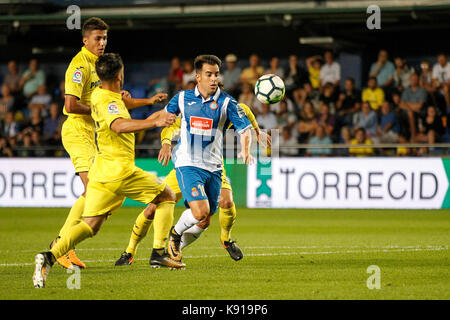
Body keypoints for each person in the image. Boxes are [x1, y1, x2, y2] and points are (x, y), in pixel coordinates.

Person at [32, 53, 180, 288]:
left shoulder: (102, 95)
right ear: (120, 75)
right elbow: (119, 125)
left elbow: (121, 111)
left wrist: (152, 107)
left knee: (91, 225)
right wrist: (154, 123)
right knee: (167, 195)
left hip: (101, 171)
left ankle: (49, 255)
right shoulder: (109, 101)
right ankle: (158, 252)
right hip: (120, 170)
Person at [51, 17, 167, 271]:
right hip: (78, 131)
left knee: (98, 191)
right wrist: (98, 110)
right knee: (92, 188)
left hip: (95, 132)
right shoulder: (79, 66)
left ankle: (64, 243)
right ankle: (61, 244)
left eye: (104, 38)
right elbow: (70, 105)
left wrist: (148, 102)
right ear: (85, 40)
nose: (102, 42)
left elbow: (113, 103)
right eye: (97, 38)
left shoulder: (102, 65)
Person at [115, 101, 269, 265]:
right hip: (186, 167)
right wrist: (166, 143)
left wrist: (257, 132)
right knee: (152, 208)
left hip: (213, 166)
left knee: (222, 205)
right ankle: (129, 252)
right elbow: (169, 126)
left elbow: (246, 110)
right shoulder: (190, 107)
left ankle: (224, 240)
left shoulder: (226, 106)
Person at [163, 55, 254, 264]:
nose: (213, 79)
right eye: (208, 74)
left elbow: (245, 129)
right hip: (188, 163)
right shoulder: (182, 98)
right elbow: (165, 118)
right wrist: (165, 136)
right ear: (197, 77)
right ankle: (174, 235)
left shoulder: (226, 102)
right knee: (199, 211)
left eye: (216, 75)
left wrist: (245, 150)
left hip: (213, 167)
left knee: (205, 220)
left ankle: (172, 253)